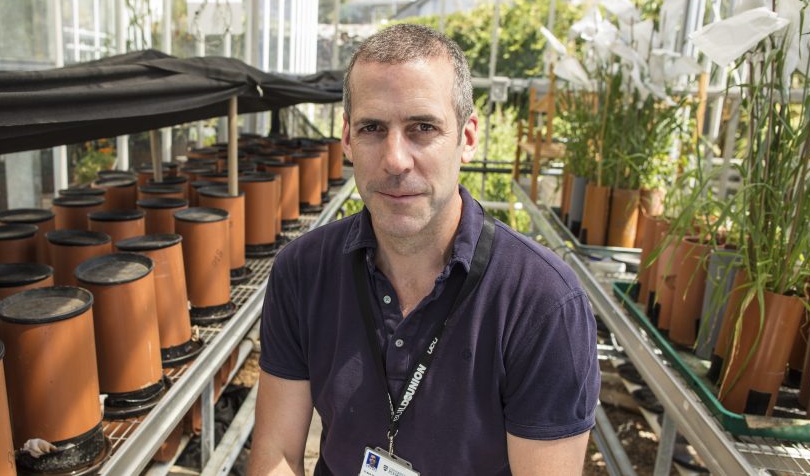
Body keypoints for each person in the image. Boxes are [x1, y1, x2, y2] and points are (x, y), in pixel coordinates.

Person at [248, 24, 600, 475]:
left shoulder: (542, 303)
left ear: (467, 138)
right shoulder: (303, 271)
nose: (395, 160)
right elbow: (277, 451)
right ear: (348, 140)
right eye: (373, 128)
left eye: (423, 128)